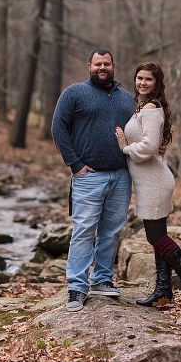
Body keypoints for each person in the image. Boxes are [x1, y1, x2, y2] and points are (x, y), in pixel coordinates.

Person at [114, 62, 181, 305]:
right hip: (149, 181)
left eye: (148, 80)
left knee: (156, 237)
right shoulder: (143, 107)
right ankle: (163, 289)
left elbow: (148, 147)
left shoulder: (152, 108)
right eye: (139, 78)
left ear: (157, 84)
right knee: (159, 235)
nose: (142, 83)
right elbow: (154, 145)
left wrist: (125, 147)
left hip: (155, 182)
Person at [52, 47, 134, 312]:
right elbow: (58, 127)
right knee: (84, 230)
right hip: (89, 176)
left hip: (121, 175)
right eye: (97, 64)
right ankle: (76, 287)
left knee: (111, 231)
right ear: (89, 66)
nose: (102, 68)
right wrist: (75, 164)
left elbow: (141, 131)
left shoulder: (127, 99)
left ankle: (102, 279)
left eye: (107, 64)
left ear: (113, 65)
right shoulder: (74, 93)